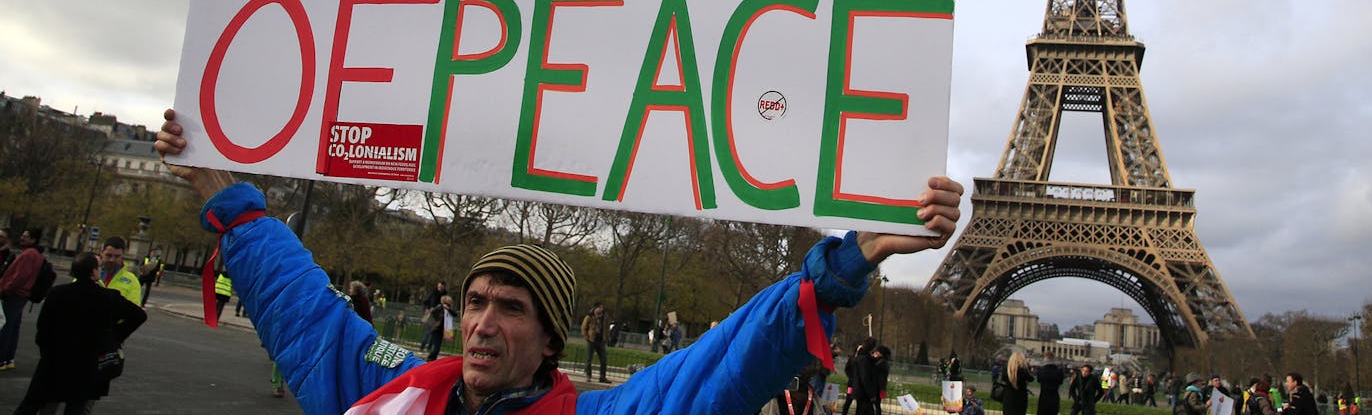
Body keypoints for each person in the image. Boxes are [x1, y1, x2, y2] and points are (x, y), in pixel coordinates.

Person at [154, 108, 963, 414]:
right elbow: (308, 312)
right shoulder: (396, 389)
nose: (480, 322)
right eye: (476, 301)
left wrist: (846, 262)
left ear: (551, 341)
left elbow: (726, 362)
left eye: (510, 307)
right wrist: (219, 190)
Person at [11, 252, 147, 414]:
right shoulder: (107, 297)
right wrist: (115, 336)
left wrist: (47, 351)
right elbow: (139, 315)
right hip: (88, 361)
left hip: (55, 358)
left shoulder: (57, 293)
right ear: (94, 272)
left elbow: (43, 329)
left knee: (33, 404)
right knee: (76, 406)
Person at [0, 228, 46, 371]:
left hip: (14, 294)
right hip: (21, 295)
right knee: (13, 327)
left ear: (33, 240)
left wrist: (5, 289)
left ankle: (2, 358)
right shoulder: (36, 255)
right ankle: (8, 358)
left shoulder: (29, 255)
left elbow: (20, 276)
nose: (22, 238)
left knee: (5, 327)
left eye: (25, 236)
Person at [99, 236, 143, 307]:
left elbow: (134, 311)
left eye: (117, 256)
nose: (112, 260)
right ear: (101, 253)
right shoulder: (87, 273)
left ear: (122, 256)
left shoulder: (132, 281)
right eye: (108, 255)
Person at [581, 301, 608, 383]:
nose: (601, 309)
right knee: (589, 359)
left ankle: (602, 377)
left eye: (602, 308)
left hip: (600, 340)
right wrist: (586, 337)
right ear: (595, 308)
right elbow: (584, 327)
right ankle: (588, 375)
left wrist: (606, 337)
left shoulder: (604, 317)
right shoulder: (589, 317)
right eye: (599, 307)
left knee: (603, 359)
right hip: (591, 340)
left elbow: (606, 328)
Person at [1001, 350, 1035, 415]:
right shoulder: (1023, 370)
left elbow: (1003, 379)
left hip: (1008, 397)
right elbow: (1031, 378)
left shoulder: (1006, 370)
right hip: (1021, 397)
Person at [418, 280, 447, 354]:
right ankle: (422, 346)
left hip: (439, 316)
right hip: (431, 315)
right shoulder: (433, 293)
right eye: (439, 287)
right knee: (428, 332)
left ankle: (429, 348)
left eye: (441, 287)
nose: (439, 288)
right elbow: (426, 302)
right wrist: (426, 309)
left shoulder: (445, 295)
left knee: (434, 333)